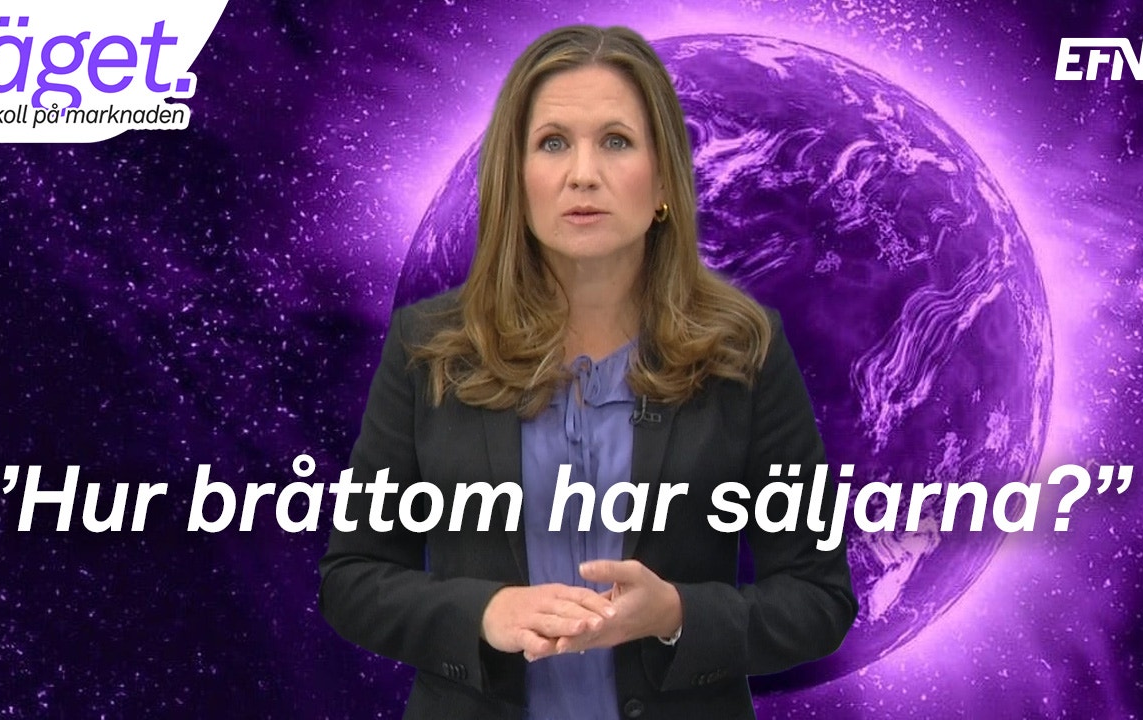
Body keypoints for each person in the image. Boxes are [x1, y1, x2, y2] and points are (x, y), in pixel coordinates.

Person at [318, 24, 856, 720]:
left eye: (616, 141)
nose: (582, 174)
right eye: (552, 143)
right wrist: (485, 613)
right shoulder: (429, 348)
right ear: (515, 179)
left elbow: (818, 598)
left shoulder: (743, 350)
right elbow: (352, 579)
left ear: (662, 179)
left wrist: (676, 613)